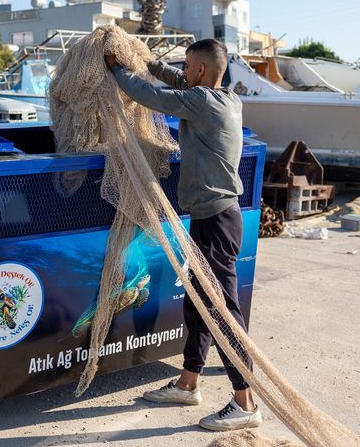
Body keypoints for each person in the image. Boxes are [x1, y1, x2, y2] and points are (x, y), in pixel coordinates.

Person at [105, 39, 261, 432]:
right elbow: (174, 79)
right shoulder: (224, 98)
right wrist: (151, 62)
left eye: (188, 67)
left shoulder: (202, 103)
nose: (184, 72)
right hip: (213, 218)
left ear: (202, 72)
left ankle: (246, 402)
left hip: (217, 221)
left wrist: (118, 70)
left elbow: (150, 95)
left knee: (224, 313)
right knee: (198, 304)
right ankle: (189, 383)